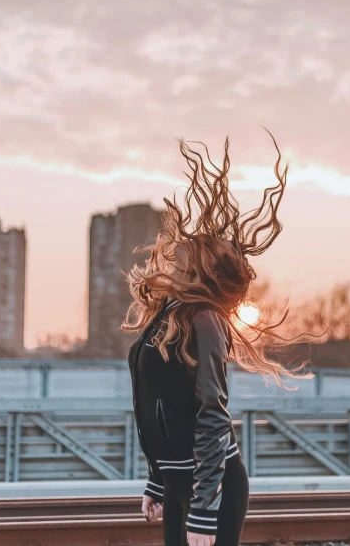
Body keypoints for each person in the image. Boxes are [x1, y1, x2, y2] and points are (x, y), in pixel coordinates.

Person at [123, 129, 309, 546]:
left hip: (212, 487)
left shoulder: (205, 320)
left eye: (193, 253)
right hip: (178, 481)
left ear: (204, 271)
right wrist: (157, 480)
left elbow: (211, 415)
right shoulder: (169, 313)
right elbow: (156, 403)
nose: (180, 253)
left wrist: (205, 511)